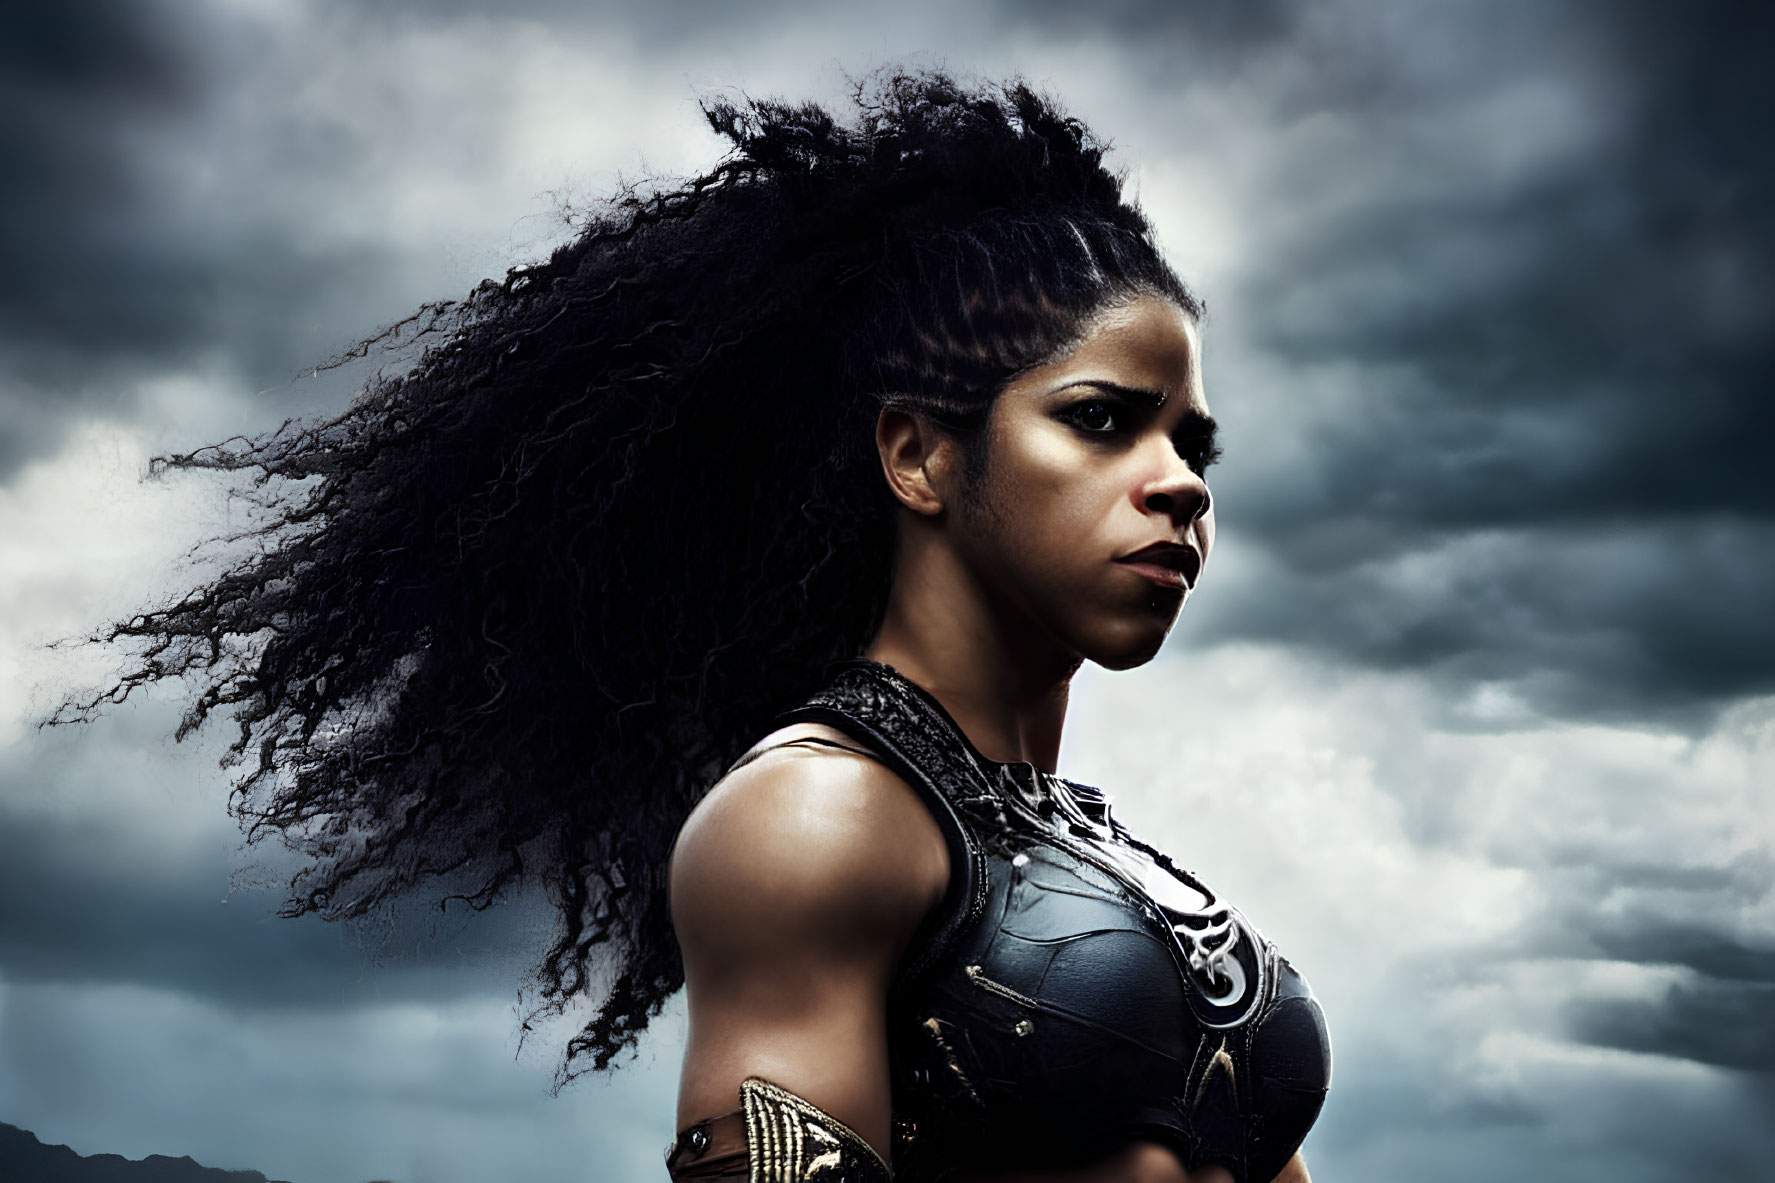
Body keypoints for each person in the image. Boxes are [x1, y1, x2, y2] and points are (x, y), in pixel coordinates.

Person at [62, 72, 1328, 1182]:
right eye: (1104, 419)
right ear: (917, 455)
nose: (1180, 482)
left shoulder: (1097, 852)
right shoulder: (817, 819)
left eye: (1190, 439)